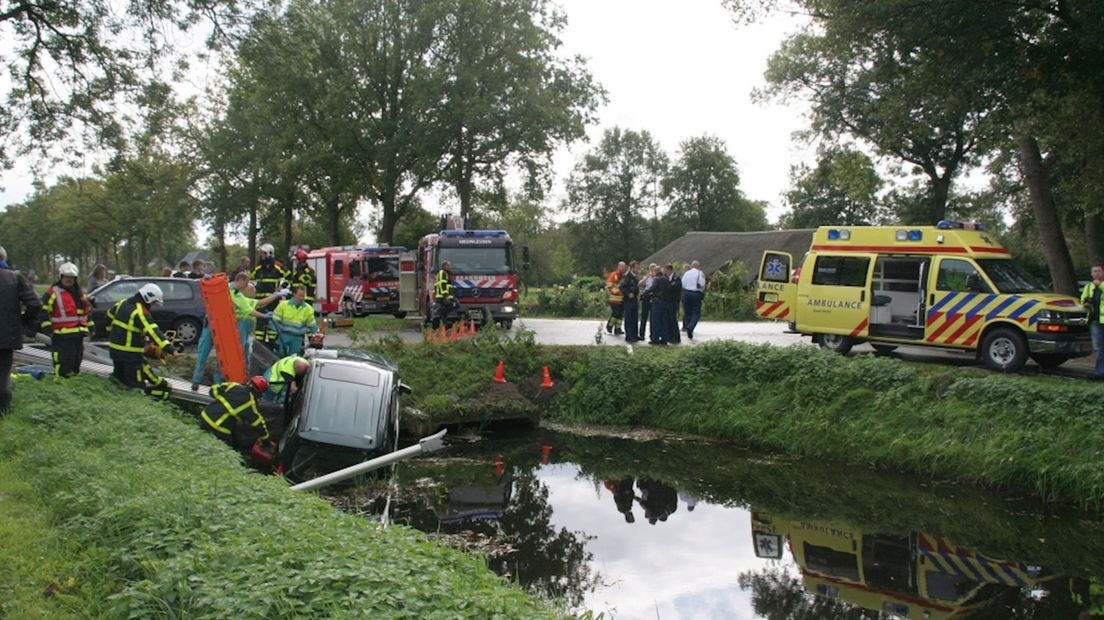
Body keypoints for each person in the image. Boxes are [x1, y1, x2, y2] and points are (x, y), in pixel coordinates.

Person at [106, 283, 181, 400]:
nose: (152, 306)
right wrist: (169, 348)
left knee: (119, 381)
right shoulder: (140, 312)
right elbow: (153, 331)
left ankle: (117, 402)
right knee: (136, 386)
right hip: (130, 354)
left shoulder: (122, 303)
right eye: (152, 303)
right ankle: (133, 407)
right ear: (147, 298)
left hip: (115, 351)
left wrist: (111, 331)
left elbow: (109, 315)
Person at [0, 258, 42, 413]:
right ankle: (3, 411)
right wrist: (23, 322)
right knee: (3, 374)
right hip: (6, 335)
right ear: (3, 259)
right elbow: (35, 303)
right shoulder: (15, 278)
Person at [38, 262, 91, 378]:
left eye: (71, 278)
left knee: (76, 360)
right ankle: (61, 383)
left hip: (78, 333)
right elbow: (43, 311)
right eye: (67, 277)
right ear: (61, 277)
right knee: (64, 361)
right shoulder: (53, 292)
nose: (69, 280)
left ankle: (73, 384)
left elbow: (86, 310)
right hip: (61, 334)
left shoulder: (79, 292)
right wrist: (47, 327)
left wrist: (91, 325)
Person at [200, 376, 272, 453]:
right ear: (259, 393)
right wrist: (265, 440)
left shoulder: (234, 385)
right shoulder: (249, 403)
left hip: (205, 416)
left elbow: (213, 390)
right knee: (229, 451)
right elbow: (258, 424)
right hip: (218, 427)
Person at [230, 272, 284, 368]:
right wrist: (264, 316)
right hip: (241, 324)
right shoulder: (236, 296)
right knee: (240, 350)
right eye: (246, 284)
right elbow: (249, 311)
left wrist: (276, 295)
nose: (255, 293)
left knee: (245, 350)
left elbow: (261, 303)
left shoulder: (243, 298)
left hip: (245, 327)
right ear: (240, 280)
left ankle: (244, 372)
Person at [250, 243, 290, 349]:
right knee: (260, 327)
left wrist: (282, 287)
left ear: (269, 253)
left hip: (273, 300)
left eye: (263, 253)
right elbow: (250, 277)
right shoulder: (258, 267)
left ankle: (273, 347)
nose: (261, 256)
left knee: (273, 325)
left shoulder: (277, 266)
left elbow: (289, 276)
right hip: (260, 300)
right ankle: (259, 347)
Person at [271, 284, 318, 357]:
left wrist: (317, 335)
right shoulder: (283, 305)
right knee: (279, 355)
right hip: (283, 335)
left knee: (295, 357)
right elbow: (274, 321)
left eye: (303, 296)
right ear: (294, 294)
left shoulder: (308, 309)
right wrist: (277, 333)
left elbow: (312, 326)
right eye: (300, 296)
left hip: (297, 338)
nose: (302, 298)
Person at [1081, 264, 1104, 379]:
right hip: (1095, 321)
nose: (1097, 273)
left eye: (1099, 271)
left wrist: (1101, 286)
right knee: (1098, 348)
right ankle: (1100, 372)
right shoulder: (1089, 287)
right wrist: (1086, 303)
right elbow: (1083, 300)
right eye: (1094, 271)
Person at [681, 260, 706, 340]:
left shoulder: (686, 273)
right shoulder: (700, 273)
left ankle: (687, 325)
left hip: (686, 293)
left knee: (688, 312)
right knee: (696, 312)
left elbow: (683, 283)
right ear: (698, 266)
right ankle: (691, 327)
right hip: (695, 293)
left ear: (692, 266)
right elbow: (702, 284)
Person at [649, 267, 672, 345]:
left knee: (656, 321)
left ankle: (655, 339)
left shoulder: (657, 279)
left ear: (656, 272)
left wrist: (645, 293)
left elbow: (652, 288)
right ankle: (664, 339)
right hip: (666, 302)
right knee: (664, 321)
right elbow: (670, 290)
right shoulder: (667, 280)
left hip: (657, 301)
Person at [433, 260, 459, 328]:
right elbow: (442, 284)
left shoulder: (447, 273)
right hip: (443, 295)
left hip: (448, 295)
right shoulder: (442, 272)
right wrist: (445, 295)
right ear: (444, 266)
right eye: (448, 265)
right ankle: (441, 317)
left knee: (455, 305)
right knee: (451, 306)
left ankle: (444, 322)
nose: (449, 267)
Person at [619, 261, 641, 342]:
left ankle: (635, 334)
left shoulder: (635, 277)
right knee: (629, 318)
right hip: (628, 300)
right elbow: (621, 287)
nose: (638, 269)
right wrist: (628, 293)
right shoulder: (627, 276)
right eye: (637, 268)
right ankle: (629, 336)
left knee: (635, 317)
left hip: (634, 299)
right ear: (632, 268)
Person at [639, 263, 659, 342]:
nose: (653, 271)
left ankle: (652, 335)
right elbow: (640, 284)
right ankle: (641, 334)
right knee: (644, 317)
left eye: (655, 270)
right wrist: (647, 277)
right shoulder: (647, 278)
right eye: (652, 270)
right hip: (646, 298)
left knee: (653, 318)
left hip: (653, 298)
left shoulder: (657, 278)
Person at [606, 261, 626, 335]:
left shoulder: (623, 276)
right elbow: (609, 285)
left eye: (625, 267)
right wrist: (618, 292)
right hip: (614, 299)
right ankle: (609, 326)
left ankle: (618, 328)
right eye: (623, 267)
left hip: (622, 299)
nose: (624, 268)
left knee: (620, 315)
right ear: (619, 267)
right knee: (615, 313)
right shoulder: (614, 275)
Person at [665, 264, 682, 344]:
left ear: (670, 270)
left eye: (666, 270)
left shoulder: (676, 278)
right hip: (668, 301)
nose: (666, 272)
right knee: (668, 319)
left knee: (673, 319)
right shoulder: (667, 278)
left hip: (673, 301)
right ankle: (670, 336)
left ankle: (676, 336)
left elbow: (674, 288)